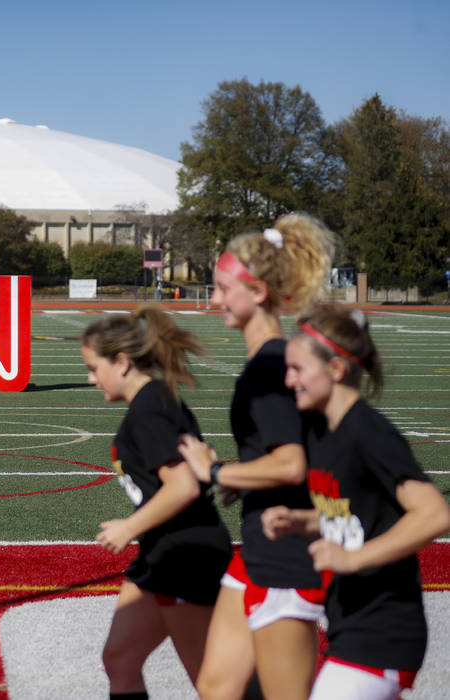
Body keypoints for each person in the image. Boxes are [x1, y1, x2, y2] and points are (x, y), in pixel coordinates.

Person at [178, 212, 335, 700]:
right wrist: (243, 478)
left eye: (224, 288)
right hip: (259, 549)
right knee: (218, 686)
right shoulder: (267, 362)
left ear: (259, 293)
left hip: (286, 554)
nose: (216, 299)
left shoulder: (267, 369)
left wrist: (217, 469)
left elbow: (292, 464)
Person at [262, 307, 450, 700]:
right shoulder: (323, 431)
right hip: (349, 620)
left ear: (335, 370)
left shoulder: (368, 431)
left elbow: (434, 513)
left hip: (384, 629)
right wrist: (300, 520)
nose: (288, 378)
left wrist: (354, 558)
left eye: (297, 368)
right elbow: (355, 515)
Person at [82, 305, 232, 699]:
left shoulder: (149, 410)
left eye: (94, 368)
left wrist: (130, 527)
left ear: (122, 362)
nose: (90, 378)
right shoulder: (153, 403)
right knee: (121, 659)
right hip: (161, 553)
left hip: (186, 554)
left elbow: (182, 486)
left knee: (214, 684)